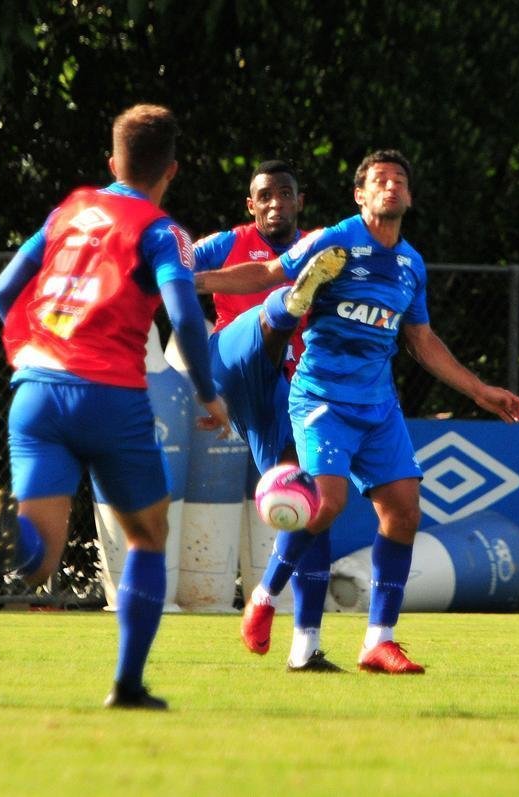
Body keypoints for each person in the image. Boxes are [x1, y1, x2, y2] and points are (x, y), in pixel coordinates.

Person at [194, 149, 519, 673]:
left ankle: (378, 640)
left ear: (409, 196)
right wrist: (196, 282)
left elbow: (421, 339)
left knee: (404, 511)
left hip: (377, 404)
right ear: (360, 195)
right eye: (379, 180)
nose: (391, 186)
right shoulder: (335, 240)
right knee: (325, 504)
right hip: (321, 396)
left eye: (399, 180)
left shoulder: (411, 264)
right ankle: (264, 596)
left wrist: (479, 390)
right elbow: (265, 272)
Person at [0, 104, 230, 710]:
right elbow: (183, 312)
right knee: (149, 533)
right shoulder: (163, 232)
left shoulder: (68, 212)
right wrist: (207, 391)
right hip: (109, 395)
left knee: (39, 564)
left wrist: (28, 351)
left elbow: (3, 289)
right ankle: (127, 684)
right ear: (171, 170)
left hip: (36, 392)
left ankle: (11, 534)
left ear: (113, 162)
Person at [192, 160, 343, 672]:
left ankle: (305, 645)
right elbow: (174, 271)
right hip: (234, 363)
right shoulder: (225, 244)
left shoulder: (322, 247)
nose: (276, 202)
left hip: (287, 392)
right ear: (250, 205)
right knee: (273, 310)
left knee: (312, 503)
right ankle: (288, 302)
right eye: (265, 195)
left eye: (285, 193)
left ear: (300, 201)